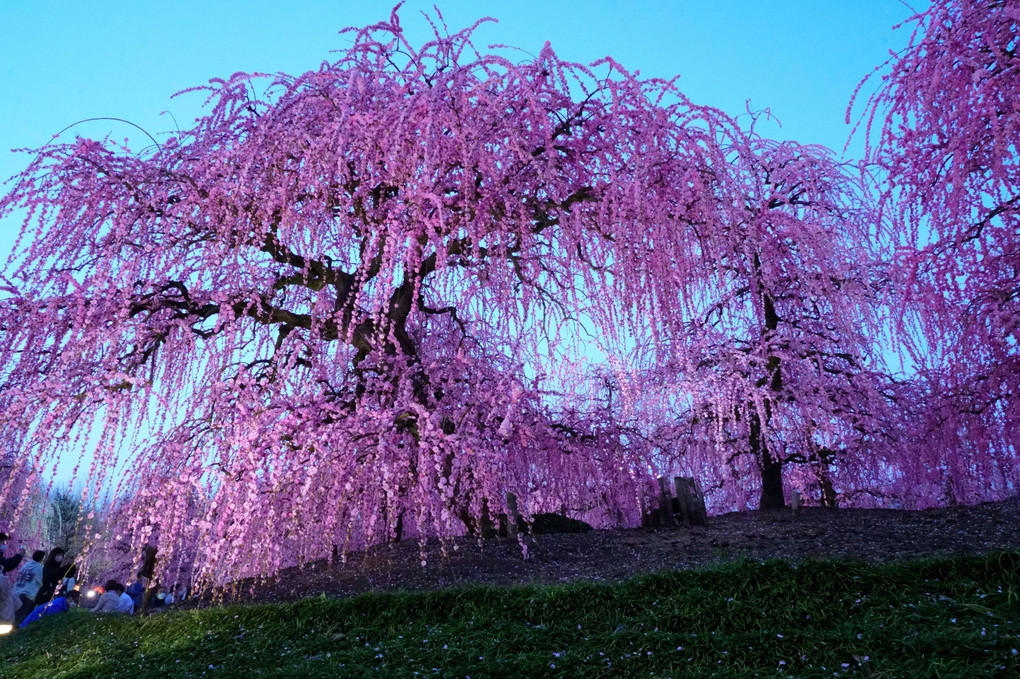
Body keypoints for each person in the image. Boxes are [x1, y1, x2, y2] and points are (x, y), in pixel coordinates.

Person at [13, 550, 45, 624]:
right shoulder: (38, 568)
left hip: (16, 593)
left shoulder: (26, 565)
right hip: (26, 595)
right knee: (19, 620)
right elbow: (40, 582)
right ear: (41, 558)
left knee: (12, 617)